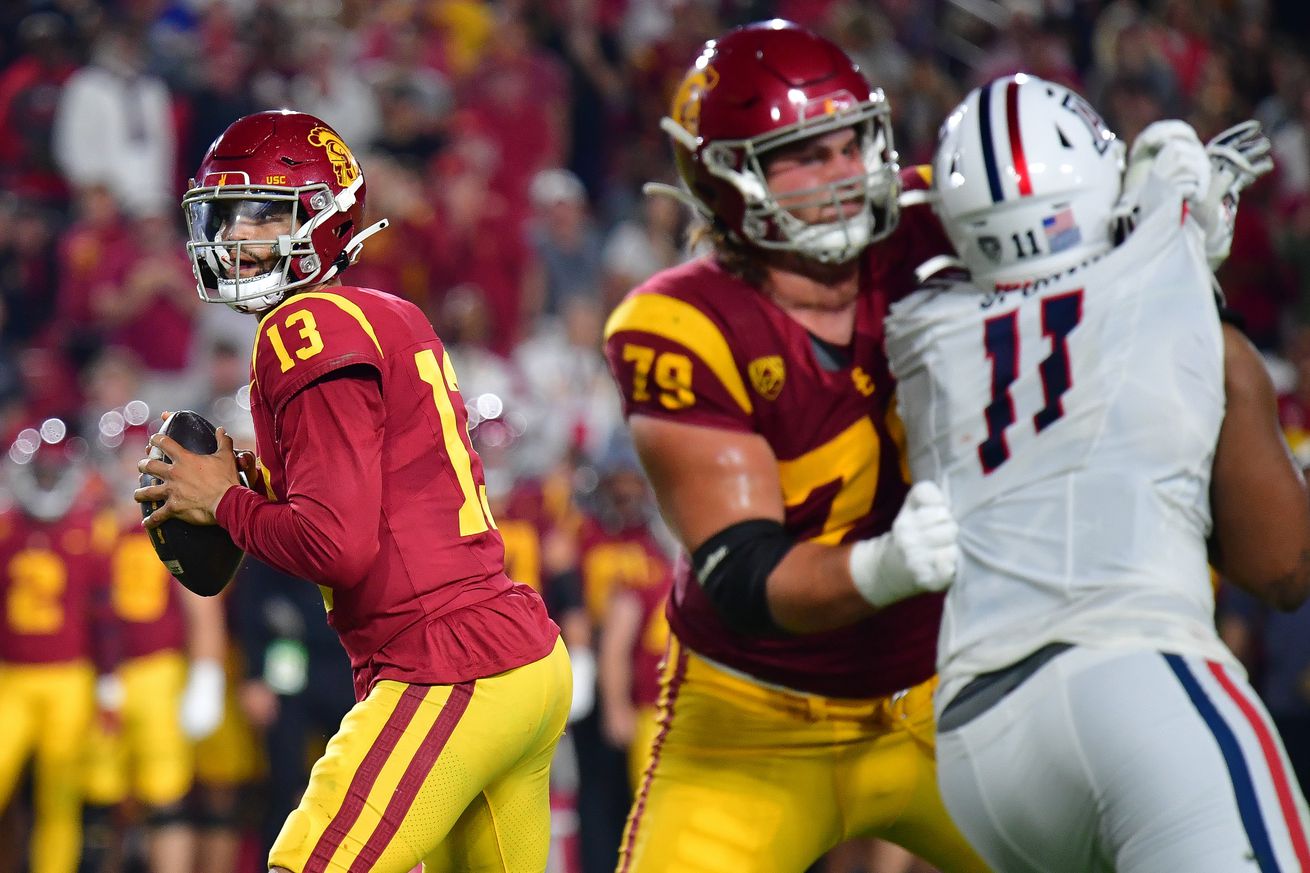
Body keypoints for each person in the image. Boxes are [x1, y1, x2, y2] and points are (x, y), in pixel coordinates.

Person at [884, 74, 1310, 872]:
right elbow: (1283, 567)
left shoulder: (922, 332)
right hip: (1136, 682)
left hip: (982, 750)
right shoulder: (1164, 267)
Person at [134, 109, 570, 873]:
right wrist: (259, 485)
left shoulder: (302, 329)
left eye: (263, 214)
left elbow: (338, 543)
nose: (237, 237)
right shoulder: (385, 311)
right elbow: (379, 491)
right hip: (516, 659)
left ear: (323, 219)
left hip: (447, 665)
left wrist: (227, 503)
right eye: (228, 216)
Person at [602, 21, 982, 872]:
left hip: (947, 690)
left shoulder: (937, 221)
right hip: (754, 716)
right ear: (730, 177)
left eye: (853, 145)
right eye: (806, 156)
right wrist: (886, 566)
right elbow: (744, 572)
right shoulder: (678, 323)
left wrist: (1157, 238)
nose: (846, 174)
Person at [0, 422, 118, 873]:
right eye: (41, 471)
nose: (48, 480)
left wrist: (108, 678)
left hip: (69, 678)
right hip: (10, 677)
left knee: (60, 800)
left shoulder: (91, 529)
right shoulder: (7, 528)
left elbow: (103, 615)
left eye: (54, 471)